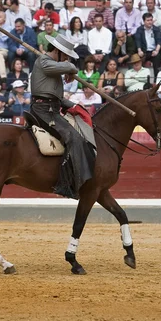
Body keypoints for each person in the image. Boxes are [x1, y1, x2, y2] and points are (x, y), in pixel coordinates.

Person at [30, 33, 95, 199]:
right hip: (43, 111)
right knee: (74, 138)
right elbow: (70, 68)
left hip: (52, 108)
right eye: (65, 54)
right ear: (58, 51)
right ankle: (67, 183)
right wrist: (71, 68)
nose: (66, 58)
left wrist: (72, 105)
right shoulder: (43, 61)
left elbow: (55, 97)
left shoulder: (52, 65)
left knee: (78, 133)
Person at [135, 12, 161, 80]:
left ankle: (156, 81)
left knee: (158, 59)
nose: (150, 22)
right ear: (144, 21)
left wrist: (156, 50)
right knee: (138, 60)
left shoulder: (156, 29)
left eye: (151, 20)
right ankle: (140, 80)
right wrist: (139, 50)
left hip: (154, 51)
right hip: (143, 51)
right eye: (148, 20)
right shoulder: (140, 29)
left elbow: (159, 40)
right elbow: (138, 40)